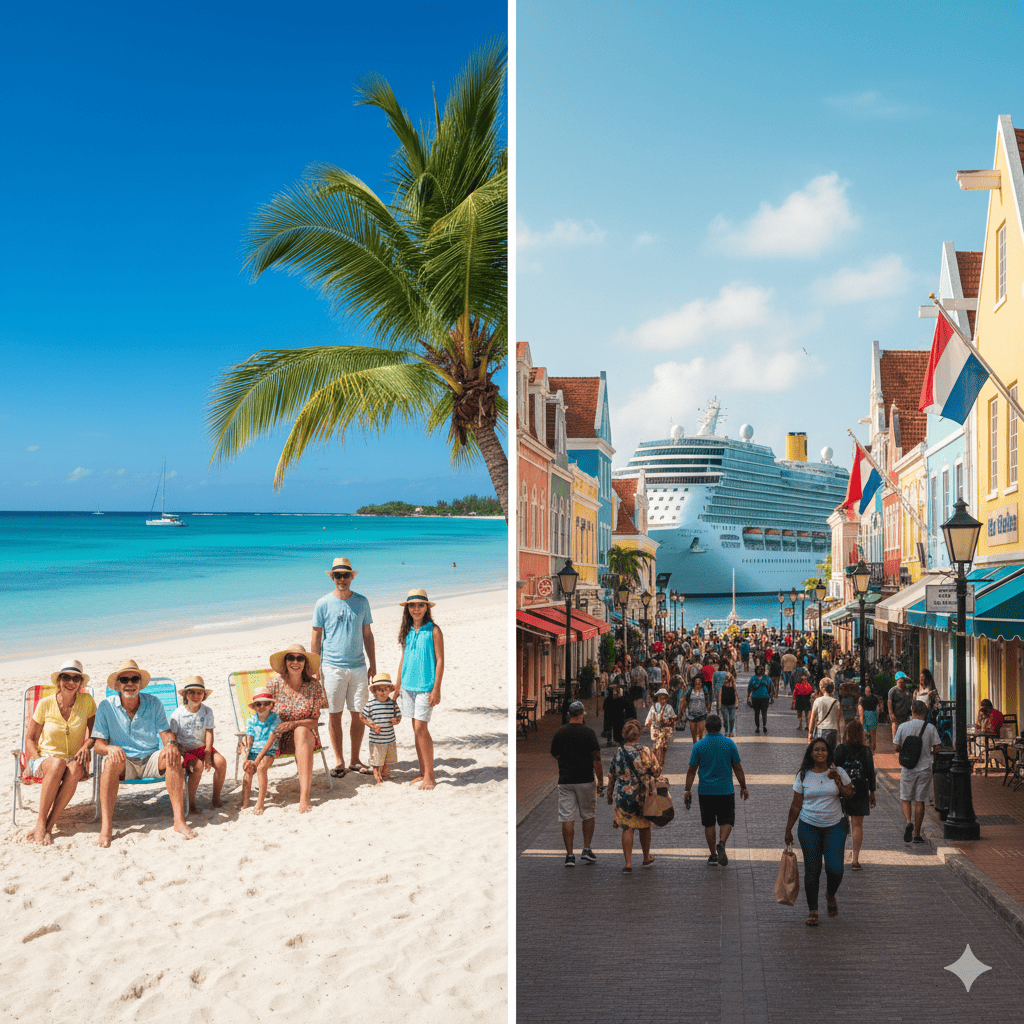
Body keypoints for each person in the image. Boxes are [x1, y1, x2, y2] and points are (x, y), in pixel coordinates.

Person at [93, 659, 196, 847]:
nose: (129, 683)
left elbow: (165, 732)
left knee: (173, 756)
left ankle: (179, 820)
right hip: (124, 762)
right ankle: (106, 828)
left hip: (150, 758)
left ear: (140, 683)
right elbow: (98, 745)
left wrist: (171, 744)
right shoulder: (106, 706)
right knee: (109, 762)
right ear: (117, 684)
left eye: (134, 678)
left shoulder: (153, 703)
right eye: (124, 679)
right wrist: (109, 748)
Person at [311, 557, 376, 776]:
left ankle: (355, 760)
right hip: (332, 667)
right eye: (337, 575)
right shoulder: (322, 603)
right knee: (334, 714)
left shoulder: (362, 601)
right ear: (332, 577)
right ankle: (339, 761)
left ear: (352, 577)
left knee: (358, 715)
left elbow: (367, 634)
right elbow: (316, 636)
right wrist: (315, 666)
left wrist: (373, 664)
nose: (342, 579)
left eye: (345, 575)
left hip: (358, 666)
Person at [23, 658, 96, 845]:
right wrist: (35, 760)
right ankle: (40, 822)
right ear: (59, 681)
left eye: (75, 678)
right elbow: (30, 738)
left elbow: (96, 733)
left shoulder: (87, 701)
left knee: (73, 768)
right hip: (45, 758)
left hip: (73, 759)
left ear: (80, 683)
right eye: (66, 677)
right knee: (58, 763)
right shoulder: (45, 703)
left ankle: (48, 826)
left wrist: (86, 746)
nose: (70, 682)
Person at [784, 738, 854, 925]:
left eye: (823, 749)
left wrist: (837, 780)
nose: (820, 753)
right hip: (809, 826)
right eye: (816, 750)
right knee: (812, 869)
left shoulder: (838, 772)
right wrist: (788, 829)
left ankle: (830, 894)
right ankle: (813, 911)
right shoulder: (803, 776)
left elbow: (849, 794)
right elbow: (796, 805)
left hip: (835, 826)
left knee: (835, 869)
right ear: (811, 753)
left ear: (829, 753)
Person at [267, 644, 329, 812]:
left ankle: (304, 797)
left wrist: (294, 724)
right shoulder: (273, 686)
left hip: (305, 739)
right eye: (291, 658)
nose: (295, 662)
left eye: (300, 658)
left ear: (305, 663)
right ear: (285, 662)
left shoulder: (314, 686)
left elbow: (314, 721)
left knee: (301, 730)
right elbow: (261, 716)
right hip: (277, 740)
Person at [393, 589, 444, 790]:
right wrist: (397, 685)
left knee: (421, 729)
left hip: (425, 687)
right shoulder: (406, 631)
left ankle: (430, 776)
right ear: (407, 609)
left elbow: (440, 660)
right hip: (408, 687)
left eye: (420, 605)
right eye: (412, 605)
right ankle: (423, 772)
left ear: (426, 608)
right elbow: (403, 659)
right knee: (416, 731)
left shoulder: (434, 630)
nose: (416, 609)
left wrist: (436, 689)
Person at [684, 713, 748, 866]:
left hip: (705, 791)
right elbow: (738, 768)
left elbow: (692, 770)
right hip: (725, 789)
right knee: (727, 820)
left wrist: (687, 789)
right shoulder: (729, 744)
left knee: (709, 823)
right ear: (721, 727)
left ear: (705, 728)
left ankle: (713, 854)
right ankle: (722, 843)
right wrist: (743, 786)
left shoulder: (698, 746)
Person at [550, 700, 603, 867]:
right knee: (588, 815)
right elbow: (597, 759)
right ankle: (586, 849)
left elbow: (555, 754)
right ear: (582, 714)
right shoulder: (589, 733)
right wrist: (600, 781)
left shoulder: (560, 732)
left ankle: (569, 855)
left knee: (567, 817)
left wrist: (566, 761)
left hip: (565, 780)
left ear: (569, 715)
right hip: (585, 779)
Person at [606, 719, 660, 872]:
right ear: (637, 735)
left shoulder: (619, 752)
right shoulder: (646, 751)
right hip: (643, 795)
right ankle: (646, 856)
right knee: (644, 826)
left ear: (624, 735)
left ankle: (628, 863)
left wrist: (609, 794)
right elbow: (656, 771)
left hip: (624, 795)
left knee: (627, 827)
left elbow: (611, 775)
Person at [169, 676, 226, 811]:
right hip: (185, 749)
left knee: (221, 762)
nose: (196, 696)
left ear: (204, 695)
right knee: (198, 766)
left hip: (202, 747)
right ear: (185, 695)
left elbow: (209, 733)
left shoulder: (207, 711)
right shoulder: (177, 714)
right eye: (192, 692)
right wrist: (181, 754)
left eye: (199, 693)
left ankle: (216, 799)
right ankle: (191, 803)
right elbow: (173, 738)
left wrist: (207, 753)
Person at [894, 700, 942, 843]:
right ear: (925, 712)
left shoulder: (903, 726)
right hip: (925, 767)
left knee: (906, 797)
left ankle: (909, 821)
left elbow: (896, 747)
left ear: (912, 711)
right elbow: (937, 748)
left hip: (908, 766)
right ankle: (916, 834)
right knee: (920, 800)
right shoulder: (931, 728)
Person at [832, 721, 876, 869]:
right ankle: (855, 859)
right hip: (861, 789)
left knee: (840, 824)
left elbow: (833, 770)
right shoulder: (866, 751)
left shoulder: (840, 749)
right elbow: (871, 772)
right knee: (857, 825)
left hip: (842, 790)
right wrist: (873, 791)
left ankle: (837, 856)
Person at [239, 687, 281, 814]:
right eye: (258, 704)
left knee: (261, 767)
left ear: (271, 705)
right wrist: (246, 760)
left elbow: (269, 743)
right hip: (254, 750)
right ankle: (245, 802)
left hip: (268, 750)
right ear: (254, 707)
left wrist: (256, 761)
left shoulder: (275, 719)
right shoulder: (251, 720)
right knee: (248, 770)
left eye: (266, 703)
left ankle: (260, 803)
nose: (262, 706)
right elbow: (249, 740)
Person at [360, 673, 402, 783]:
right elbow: (362, 716)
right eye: (379, 689)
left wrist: (396, 720)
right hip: (377, 740)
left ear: (390, 690)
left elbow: (398, 716)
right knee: (377, 761)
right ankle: (378, 779)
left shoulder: (392, 703)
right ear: (374, 691)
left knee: (388, 761)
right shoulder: (371, 704)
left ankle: (386, 776)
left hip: (390, 738)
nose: (383, 692)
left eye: (385, 689)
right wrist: (372, 725)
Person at [645, 688, 677, 768]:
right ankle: (658, 767)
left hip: (665, 733)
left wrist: (669, 722)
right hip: (656, 733)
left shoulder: (669, 708)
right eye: (661, 698)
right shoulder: (653, 708)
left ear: (666, 699)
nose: (663, 700)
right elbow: (648, 720)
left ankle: (659, 767)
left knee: (663, 750)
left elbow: (674, 719)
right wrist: (649, 723)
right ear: (658, 698)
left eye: (664, 698)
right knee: (658, 750)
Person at [808, 679, 843, 749]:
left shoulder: (818, 701)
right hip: (833, 731)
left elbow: (812, 718)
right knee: (831, 752)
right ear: (833, 689)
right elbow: (840, 721)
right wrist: (840, 735)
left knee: (821, 751)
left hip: (821, 730)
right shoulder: (836, 703)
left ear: (822, 688)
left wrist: (810, 733)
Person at [747, 662, 773, 735]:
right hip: (765, 697)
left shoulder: (753, 678)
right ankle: (764, 726)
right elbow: (770, 688)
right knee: (764, 712)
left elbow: (749, 688)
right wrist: (771, 697)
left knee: (756, 713)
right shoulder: (767, 678)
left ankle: (758, 727)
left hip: (755, 697)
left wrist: (748, 698)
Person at [683, 674, 709, 744]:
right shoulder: (690, 691)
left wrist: (708, 712)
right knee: (694, 735)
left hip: (702, 714)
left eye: (699, 682)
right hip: (691, 715)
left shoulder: (704, 690)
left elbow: (707, 702)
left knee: (701, 734)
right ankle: (695, 747)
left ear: (701, 683)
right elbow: (686, 701)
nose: (698, 683)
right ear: (693, 683)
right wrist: (683, 711)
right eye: (696, 681)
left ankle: (700, 747)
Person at [887, 671, 913, 740]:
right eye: (899, 682)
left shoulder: (908, 691)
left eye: (903, 681)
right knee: (896, 736)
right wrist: (891, 714)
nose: (901, 683)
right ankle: (897, 749)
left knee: (905, 735)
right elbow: (889, 703)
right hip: (896, 716)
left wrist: (909, 680)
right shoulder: (892, 691)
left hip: (906, 716)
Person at [858, 682, 880, 751]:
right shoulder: (875, 698)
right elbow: (878, 708)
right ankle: (872, 750)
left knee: (865, 735)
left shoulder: (862, 699)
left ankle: (868, 750)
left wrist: (861, 719)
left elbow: (860, 709)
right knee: (872, 735)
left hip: (867, 716)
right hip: (873, 716)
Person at [718, 668, 738, 737]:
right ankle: (726, 731)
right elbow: (720, 695)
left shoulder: (733, 685)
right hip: (724, 704)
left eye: (729, 674)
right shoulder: (722, 686)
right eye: (727, 674)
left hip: (732, 704)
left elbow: (735, 694)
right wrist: (719, 704)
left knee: (732, 719)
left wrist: (737, 702)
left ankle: (731, 731)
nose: (728, 675)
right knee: (726, 719)